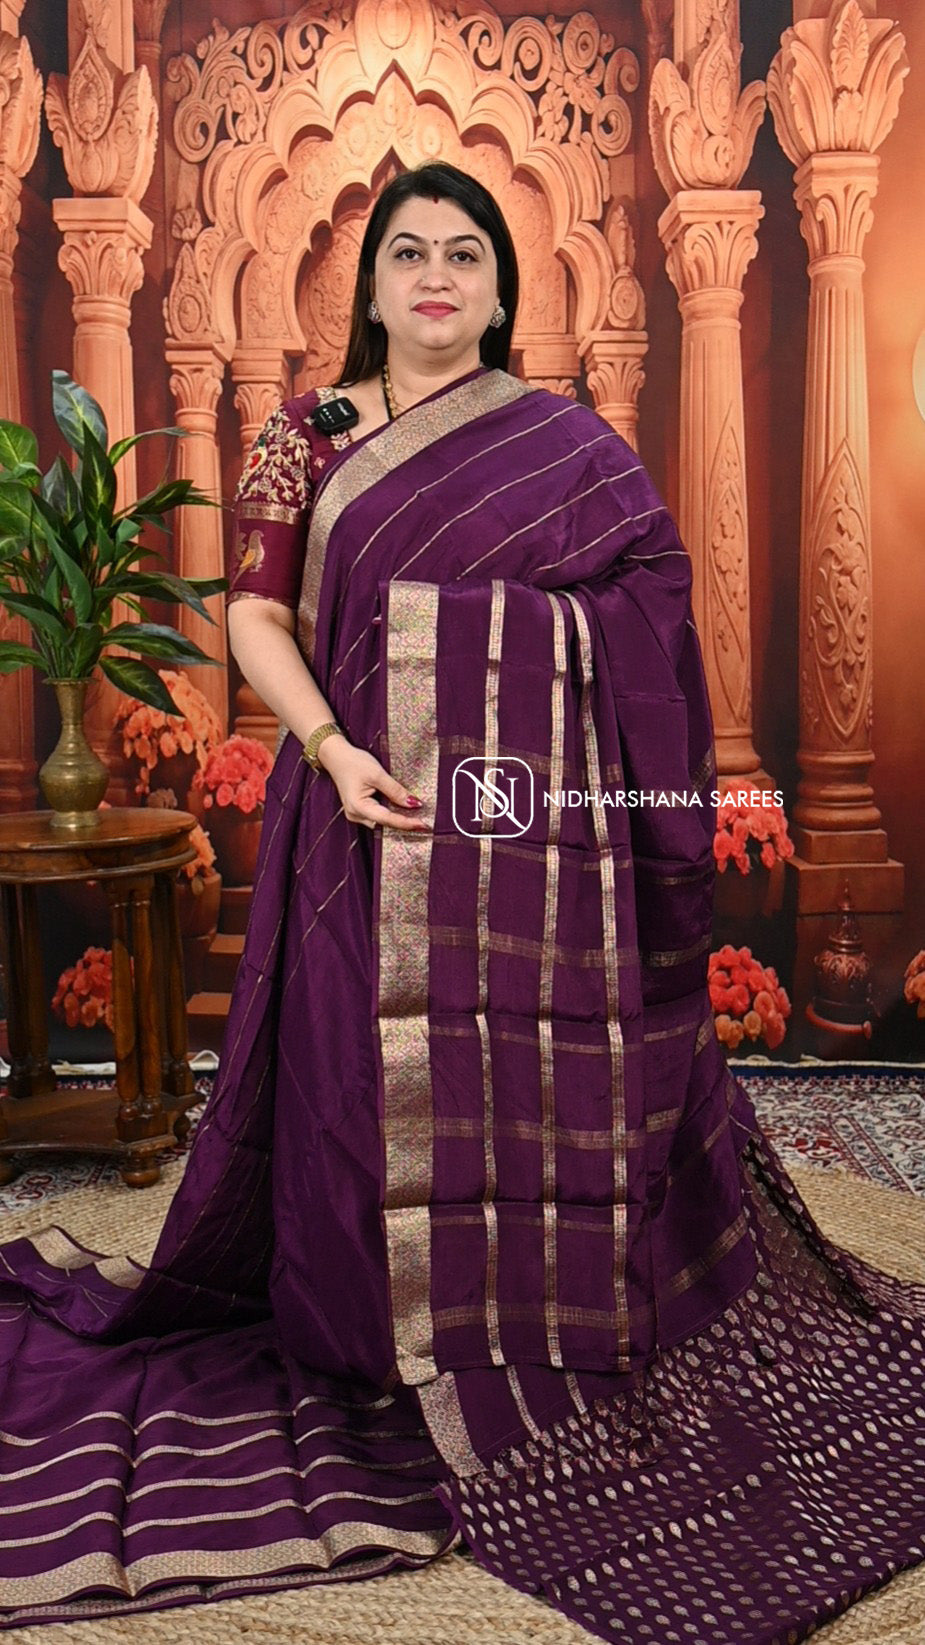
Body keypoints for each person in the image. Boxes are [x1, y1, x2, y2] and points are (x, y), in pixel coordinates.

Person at [0, 160, 923, 1643]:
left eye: (466, 256)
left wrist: (503, 652)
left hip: (534, 841)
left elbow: (651, 601)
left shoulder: (566, 444)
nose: (437, 276)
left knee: (531, 1078)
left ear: (501, 292)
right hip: (358, 807)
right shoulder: (309, 435)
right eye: (410, 253)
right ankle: (376, 1325)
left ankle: (538, 1311)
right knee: (360, 1084)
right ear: (368, 285)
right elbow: (255, 610)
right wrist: (328, 744)